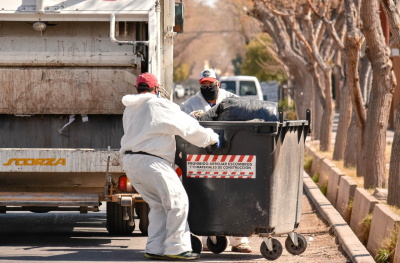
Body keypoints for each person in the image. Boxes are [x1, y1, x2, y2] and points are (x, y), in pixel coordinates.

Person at [121, 72, 220, 260]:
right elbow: (188, 127)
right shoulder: (159, 104)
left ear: (137, 89)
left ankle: (155, 248)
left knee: (158, 206)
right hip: (152, 162)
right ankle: (176, 248)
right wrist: (212, 138)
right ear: (156, 89)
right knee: (178, 201)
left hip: (131, 162)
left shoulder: (130, 108)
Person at [180, 69, 252, 253]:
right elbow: (182, 125)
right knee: (208, 196)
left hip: (231, 156)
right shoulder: (190, 104)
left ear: (218, 84)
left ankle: (239, 240)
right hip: (204, 158)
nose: (207, 87)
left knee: (234, 194)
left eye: (210, 84)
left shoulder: (231, 99)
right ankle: (209, 237)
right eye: (203, 84)